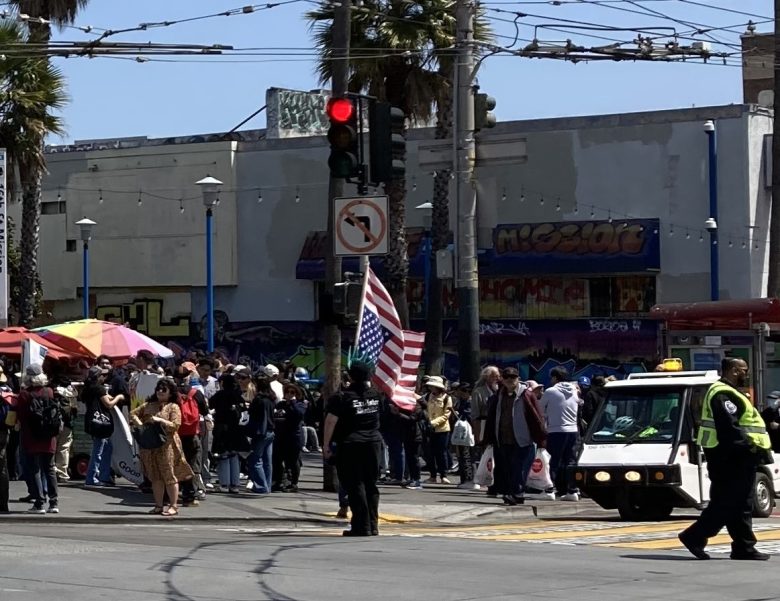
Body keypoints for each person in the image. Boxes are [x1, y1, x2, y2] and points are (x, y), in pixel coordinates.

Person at [678, 357, 772, 561]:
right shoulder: (723, 393)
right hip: (731, 457)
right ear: (734, 370)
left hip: (734, 457)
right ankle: (694, 536)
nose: (746, 373)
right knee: (728, 503)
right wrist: (748, 447)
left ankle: (743, 547)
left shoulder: (729, 392)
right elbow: (730, 428)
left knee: (741, 503)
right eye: (744, 370)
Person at [323, 360, 383, 537]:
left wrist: (326, 445)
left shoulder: (342, 397)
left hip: (351, 444)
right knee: (371, 484)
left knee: (354, 484)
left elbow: (330, 421)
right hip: (373, 442)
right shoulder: (376, 395)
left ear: (350, 376)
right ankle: (373, 524)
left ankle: (361, 525)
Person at [130, 378, 194, 516]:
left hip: (167, 445)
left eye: (163, 389)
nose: (160, 391)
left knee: (169, 474)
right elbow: (133, 414)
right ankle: (158, 505)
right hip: (151, 445)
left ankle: (173, 506)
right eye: (158, 388)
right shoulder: (149, 405)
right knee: (155, 475)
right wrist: (140, 425)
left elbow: (176, 425)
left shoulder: (173, 407)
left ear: (170, 392)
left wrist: (160, 420)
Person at [484, 367, 546, 506]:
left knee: (519, 468)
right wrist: (489, 438)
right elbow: (492, 417)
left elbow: (537, 417)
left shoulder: (527, 395)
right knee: (507, 468)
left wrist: (541, 438)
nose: (510, 380)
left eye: (513, 377)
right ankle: (512, 493)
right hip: (503, 438)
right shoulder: (498, 395)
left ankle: (517, 494)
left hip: (522, 439)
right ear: (503, 380)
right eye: (507, 377)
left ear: (518, 378)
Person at [15, 364, 60, 514]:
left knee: (33, 469)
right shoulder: (49, 391)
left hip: (31, 436)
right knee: (50, 469)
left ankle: (39, 503)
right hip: (49, 436)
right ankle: (54, 503)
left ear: (28, 377)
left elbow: (20, 415)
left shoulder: (25, 394)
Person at [541, 367, 582, 501]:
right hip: (573, 430)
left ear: (555, 377)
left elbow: (540, 409)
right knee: (570, 461)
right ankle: (572, 490)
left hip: (556, 430)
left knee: (554, 460)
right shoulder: (575, 390)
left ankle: (550, 490)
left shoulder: (550, 391)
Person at [81, 366, 124, 488]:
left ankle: (103, 476)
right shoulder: (98, 388)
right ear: (98, 377)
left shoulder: (88, 388)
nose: (104, 377)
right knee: (98, 450)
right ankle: (91, 477)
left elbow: (104, 398)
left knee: (106, 448)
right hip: (100, 422)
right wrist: (119, 397)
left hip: (92, 420)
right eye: (103, 375)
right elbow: (109, 404)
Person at [209, 374, 249, 494]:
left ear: (222, 383)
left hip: (222, 428)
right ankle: (235, 484)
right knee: (234, 456)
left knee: (223, 456)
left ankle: (224, 484)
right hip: (236, 430)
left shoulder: (220, 395)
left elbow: (209, 406)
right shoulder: (238, 396)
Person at [246, 376, 276, 494]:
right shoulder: (271, 399)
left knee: (255, 459)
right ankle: (266, 485)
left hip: (261, 431)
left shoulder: (259, 399)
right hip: (270, 431)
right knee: (267, 460)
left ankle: (260, 485)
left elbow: (255, 416)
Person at [423, 376, 454, 484]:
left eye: (434, 386)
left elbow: (446, 415)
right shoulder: (427, 397)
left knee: (442, 453)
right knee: (430, 453)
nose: (432, 388)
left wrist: (434, 423)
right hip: (429, 429)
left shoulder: (446, 398)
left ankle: (443, 475)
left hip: (442, 429)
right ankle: (432, 475)